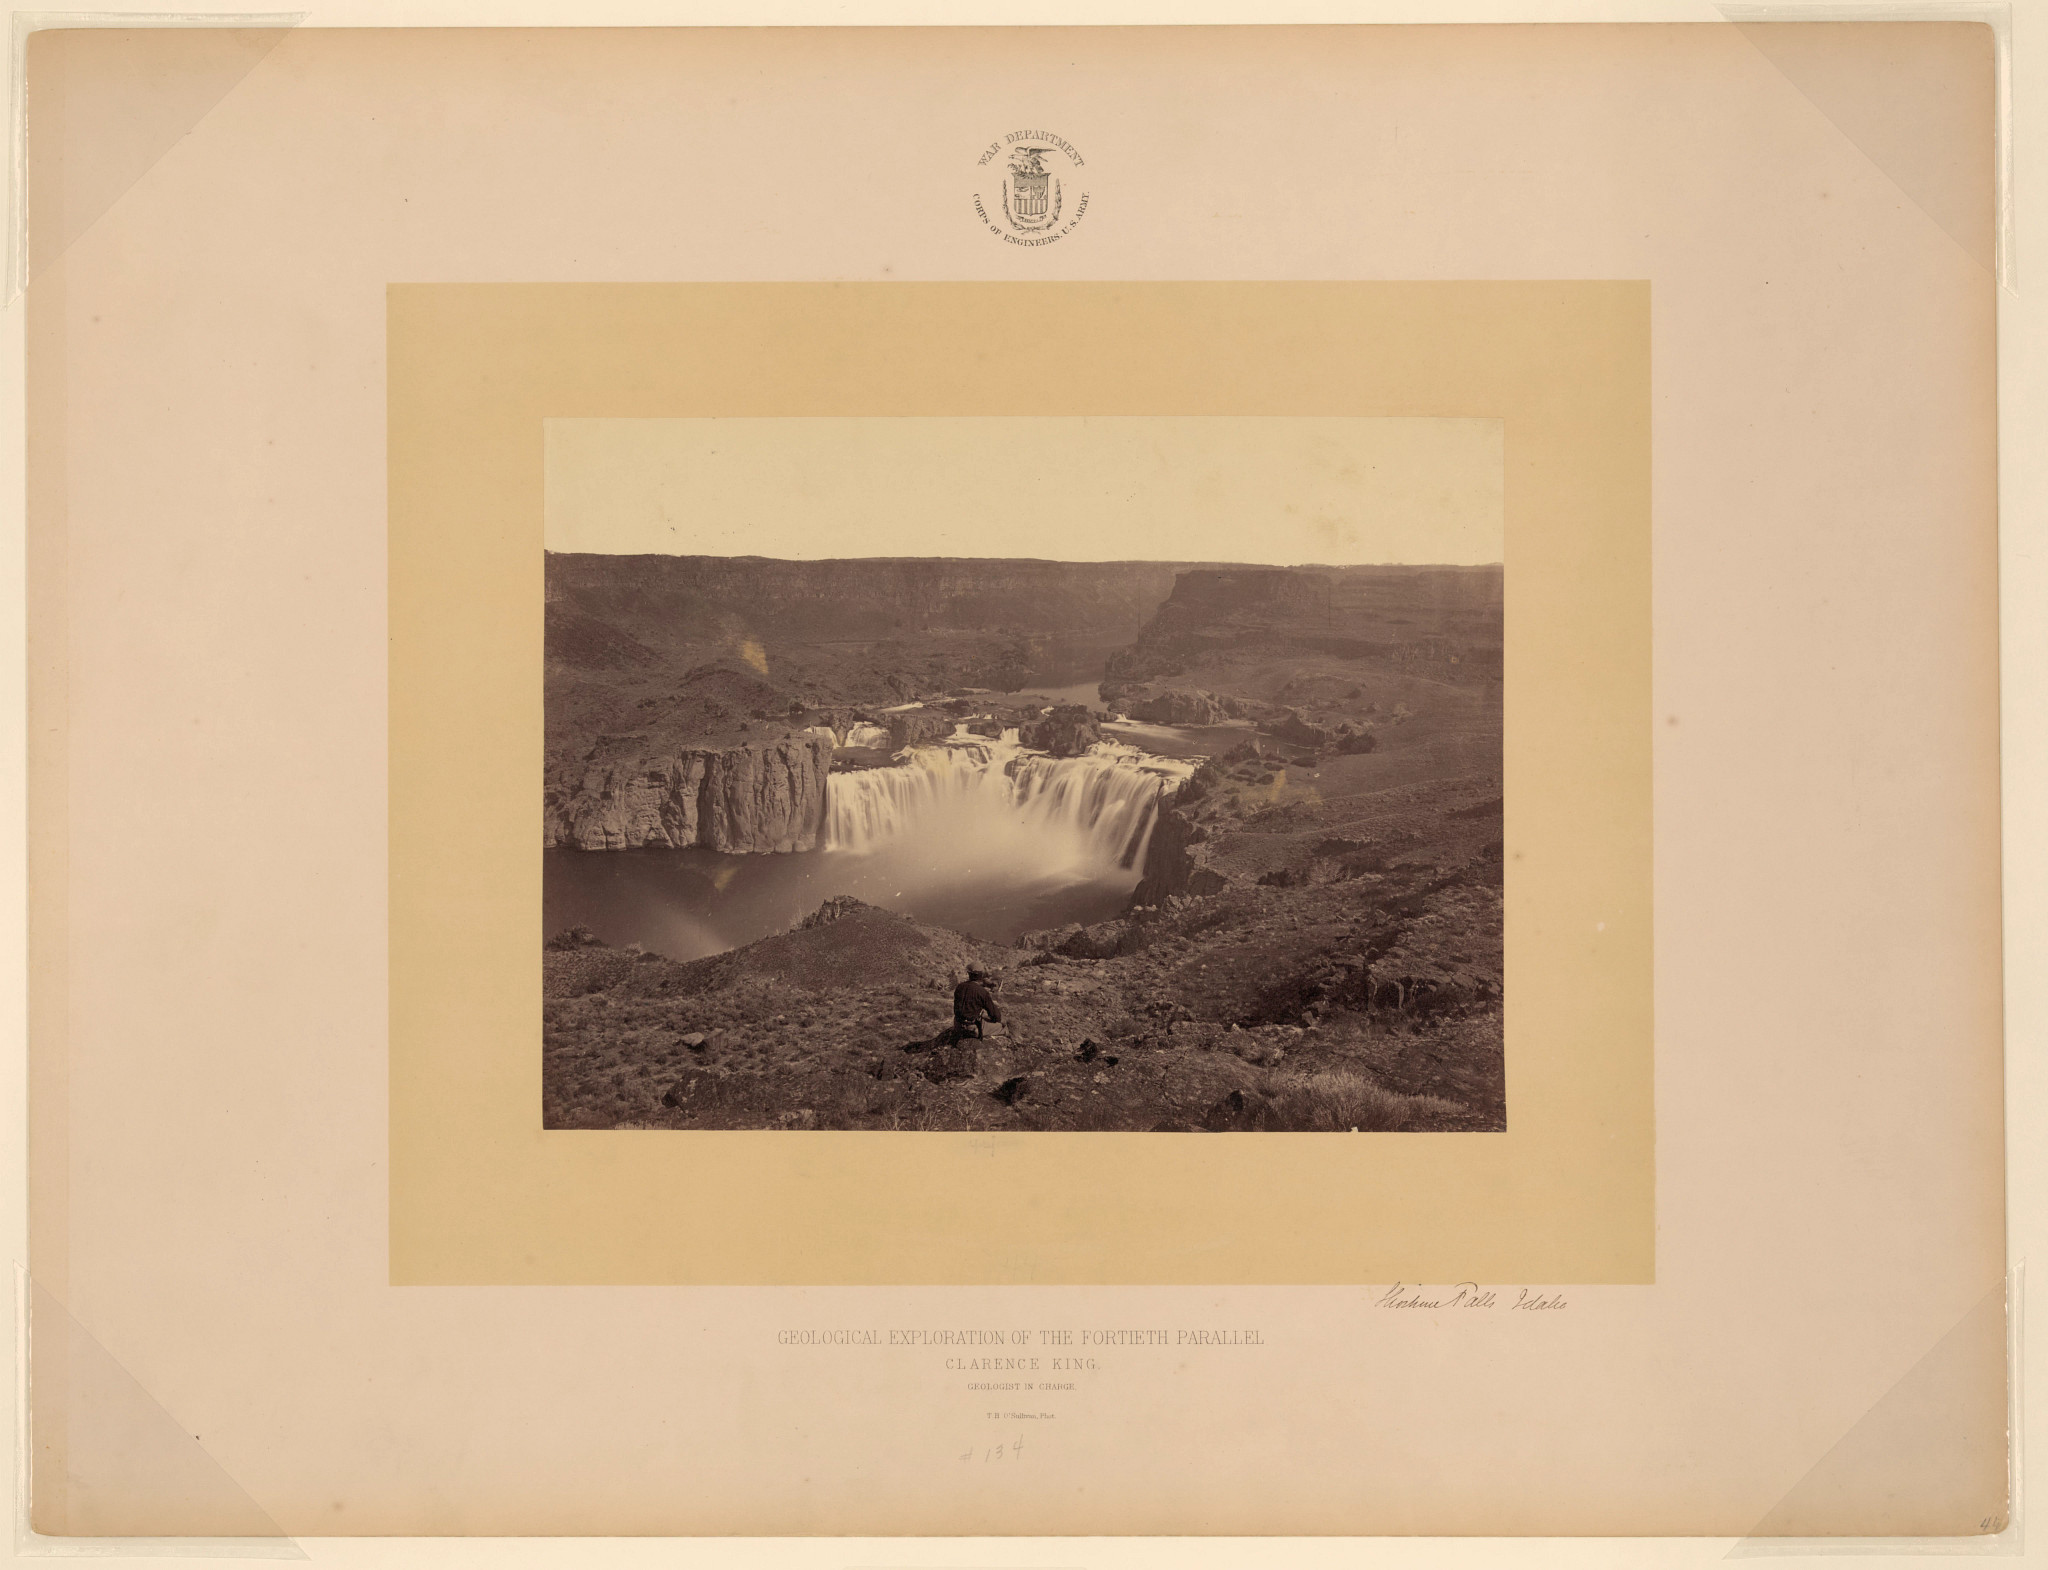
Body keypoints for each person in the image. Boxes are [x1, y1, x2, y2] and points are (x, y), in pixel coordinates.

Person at [952, 964, 1004, 1041]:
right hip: (972, 1028)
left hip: (957, 1026)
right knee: (1003, 1027)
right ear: (981, 975)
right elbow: (995, 1016)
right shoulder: (982, 992)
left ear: (969, 974)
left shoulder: (959, 987)